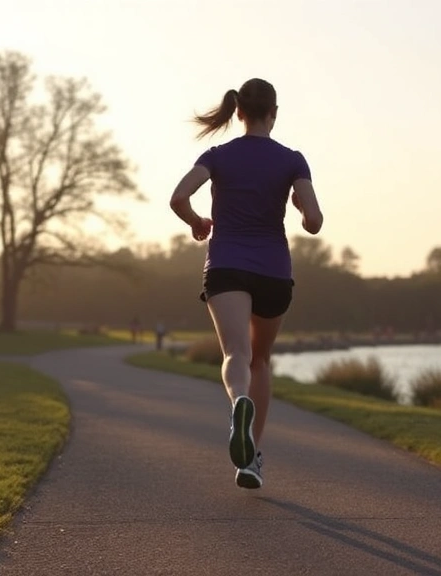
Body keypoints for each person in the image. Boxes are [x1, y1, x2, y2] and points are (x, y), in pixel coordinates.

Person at [169, 78, 323, 489]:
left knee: (235, 354)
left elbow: (178, 198)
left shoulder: (218, 155)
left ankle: (239, 403)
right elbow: (315, 222)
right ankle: (250, 458)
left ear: (238, 112)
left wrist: (198, 222)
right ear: (274, 113)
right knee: (260, 359)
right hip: (273, 269)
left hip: (227, 266)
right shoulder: (292, 160)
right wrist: (299, 206)